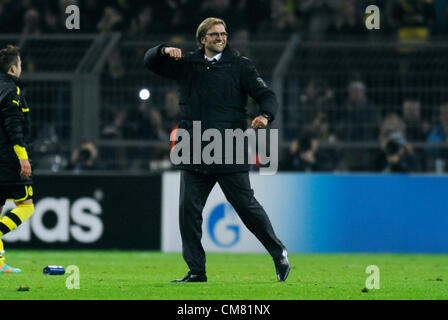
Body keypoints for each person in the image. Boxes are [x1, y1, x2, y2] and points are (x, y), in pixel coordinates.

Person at [144, 17, 290, 282]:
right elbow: (150, 62)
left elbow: (267, 95)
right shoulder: (187, 64)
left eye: (223, 34)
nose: (220, 38)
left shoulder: (241, 66)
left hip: (228, 146)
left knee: (245, 206)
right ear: (202, 39)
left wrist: (266, 116)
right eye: (214, 34)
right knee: (188, 209)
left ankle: (278, 252)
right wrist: (163, 50)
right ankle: (197, 271)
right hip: (192, 146)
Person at [0, 45, 34, 273]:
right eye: (20, 64)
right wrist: (22, 157)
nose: (21, 67)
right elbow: (14, 126)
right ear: (13, 68)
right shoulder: (10, 92)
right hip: (6, 158)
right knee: (27, 205)